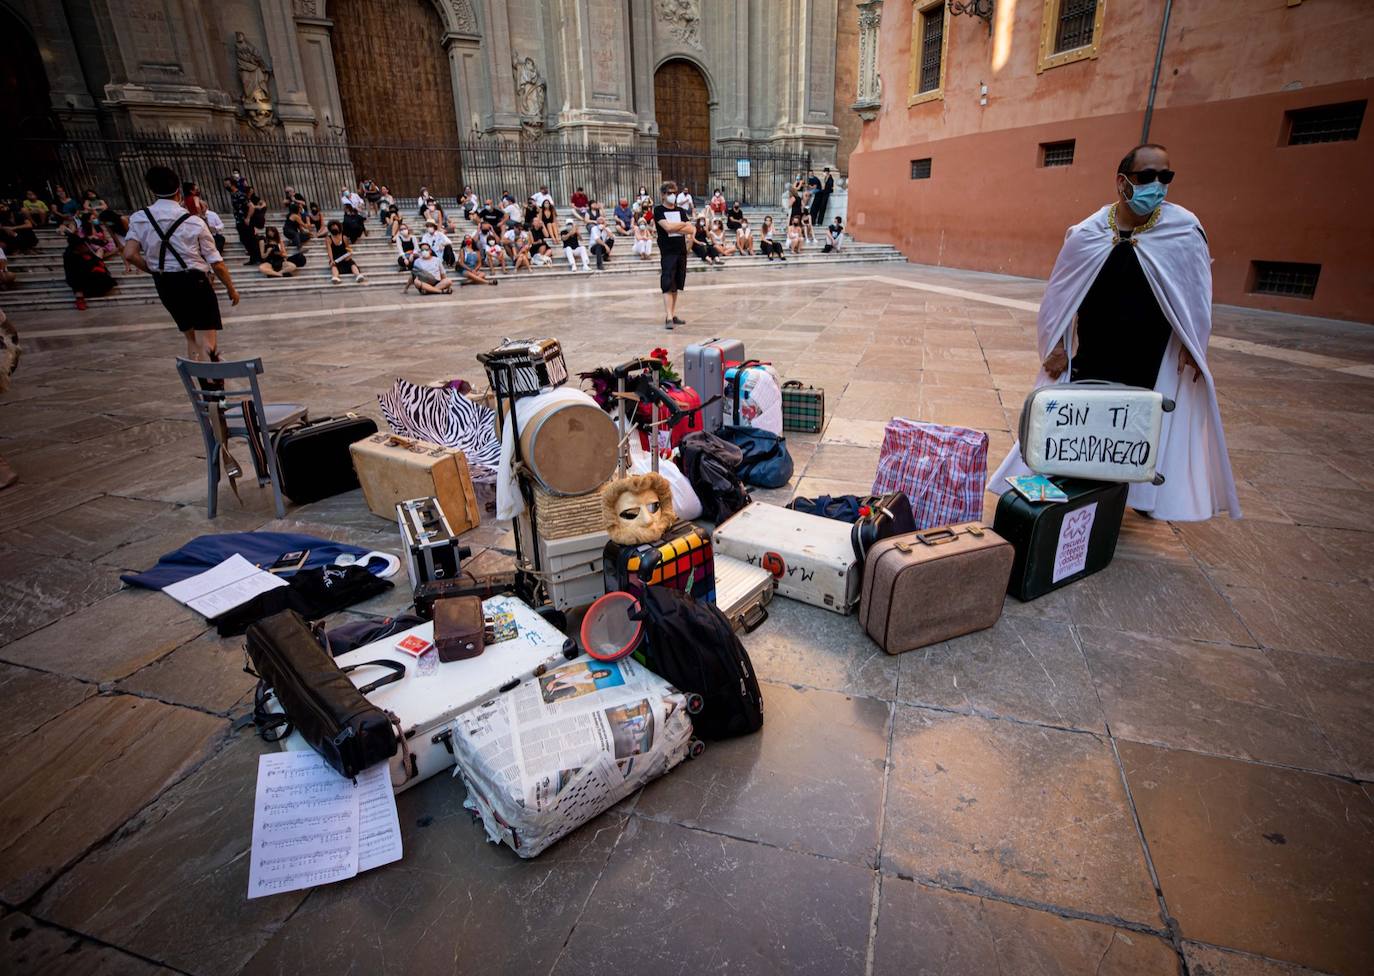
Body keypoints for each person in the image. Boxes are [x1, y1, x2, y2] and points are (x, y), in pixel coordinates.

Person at [991, 143, 1240, 521]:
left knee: (1141, 423)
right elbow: (1060, 295)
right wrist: (1056, 345)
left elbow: (1195, 291)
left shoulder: (1184, 229)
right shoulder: (1086, 233)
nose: (1157, 185)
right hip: (1096, 347)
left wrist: (1194, 343)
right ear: (1122, 182)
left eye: (1165, 177)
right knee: (1086, 422)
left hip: (1151, 351)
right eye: (1147, 177)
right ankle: (1079, 493)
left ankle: (1138, 493)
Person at [123, 165, 239, 362]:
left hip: (165, 283)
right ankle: (211, 381)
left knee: (190, 336)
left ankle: (198, 377)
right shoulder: (193, 221)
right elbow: (216, 262)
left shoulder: (140, 218)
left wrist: (154, 270)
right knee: (206, 339)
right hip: (195, 281)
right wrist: (231, 288)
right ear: (178, 190)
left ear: (151, 189)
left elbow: (130, 254)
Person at [654, 181, 693, 328]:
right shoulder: (659, 210)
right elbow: (668, 228)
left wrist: (677, 226)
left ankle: (672, 313)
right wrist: (682, 225)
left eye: (674, 193)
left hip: (680, 250)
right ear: (663, 195)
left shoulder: (680, 211)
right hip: (668, 251)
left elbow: (690, 229)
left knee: (676, 284)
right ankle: (668, 317)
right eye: (669, 193)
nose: (672, 195)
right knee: (667, 283)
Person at [63, 228, 117, 310]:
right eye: (82, 245)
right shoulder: (70, 256)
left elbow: (96, 262)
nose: (85, 246)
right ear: (77, 247)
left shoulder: (85, 253)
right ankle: (80, 298)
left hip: (92, 278)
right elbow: (73, 274)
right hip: (80, 279)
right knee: (77, 279)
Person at [325, 219, 366, 284]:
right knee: (333, 266)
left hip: (345, 257)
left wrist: (349, 255)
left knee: (352, 264)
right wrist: (332, 260)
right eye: (332, 227)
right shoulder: (328, 239)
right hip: (335, 258)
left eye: (335, 227)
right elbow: (329, 251)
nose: (334, 228)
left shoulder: (344, 237)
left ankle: (358, 275)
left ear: (338, 227)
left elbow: (349, 249)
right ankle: (335, 277)